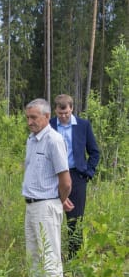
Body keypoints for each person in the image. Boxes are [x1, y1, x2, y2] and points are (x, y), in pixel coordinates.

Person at [22, 98, 74, 277]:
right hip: (31, 205)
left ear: (46, 116)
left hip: (47, 205)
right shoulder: (31, 140)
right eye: (28, 118)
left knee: (49, 255)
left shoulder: (54, 140)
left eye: (34, 117)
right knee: (33, 255)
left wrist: (57, 201)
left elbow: (66, 181)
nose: (30, 122)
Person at [50, 94, 100, 260]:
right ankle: (53, 258)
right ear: (55, 110)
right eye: (60, 113)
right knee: (52, 217)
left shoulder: (83, 125)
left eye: (66, 113)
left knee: (75, 220)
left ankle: (74, 259)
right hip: (54, 177)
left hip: (77, 176)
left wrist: (88, 173)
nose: (63, 116)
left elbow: (94, 151)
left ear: (71, 109)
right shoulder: (49, 125)